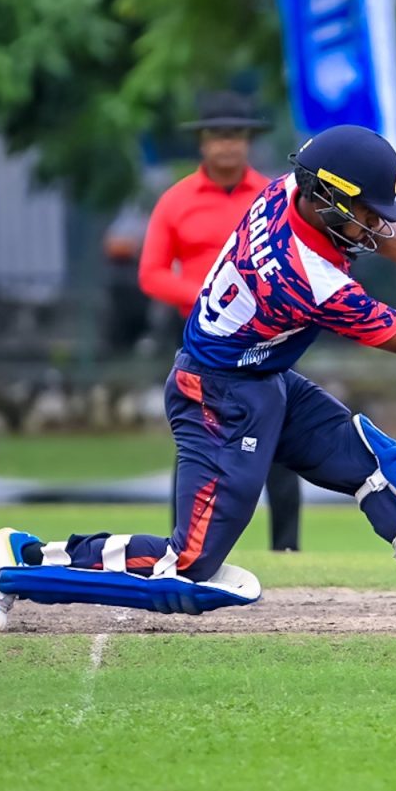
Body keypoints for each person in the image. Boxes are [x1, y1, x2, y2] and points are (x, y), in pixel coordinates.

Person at [0, 125, 396, 634]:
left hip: (263, 375)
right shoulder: (307, 278)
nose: (376, 226)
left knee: (385, 466)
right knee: (187, 576)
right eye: (364, 214)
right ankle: (17, 570)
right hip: (216, 398)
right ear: (326, 199)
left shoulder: (288, 190)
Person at [137, 91, 301, 552]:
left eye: (236, 136)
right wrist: (215, 301)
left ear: (249, 141)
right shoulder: (176, 201)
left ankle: (286, 548)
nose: (227, 145)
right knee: (196, 438)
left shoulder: (273, 197)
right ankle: (181, 544)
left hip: (266, 336)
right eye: (217, 136)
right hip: (202, 338)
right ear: (203, 143)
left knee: (279, 431)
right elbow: (151, 273)